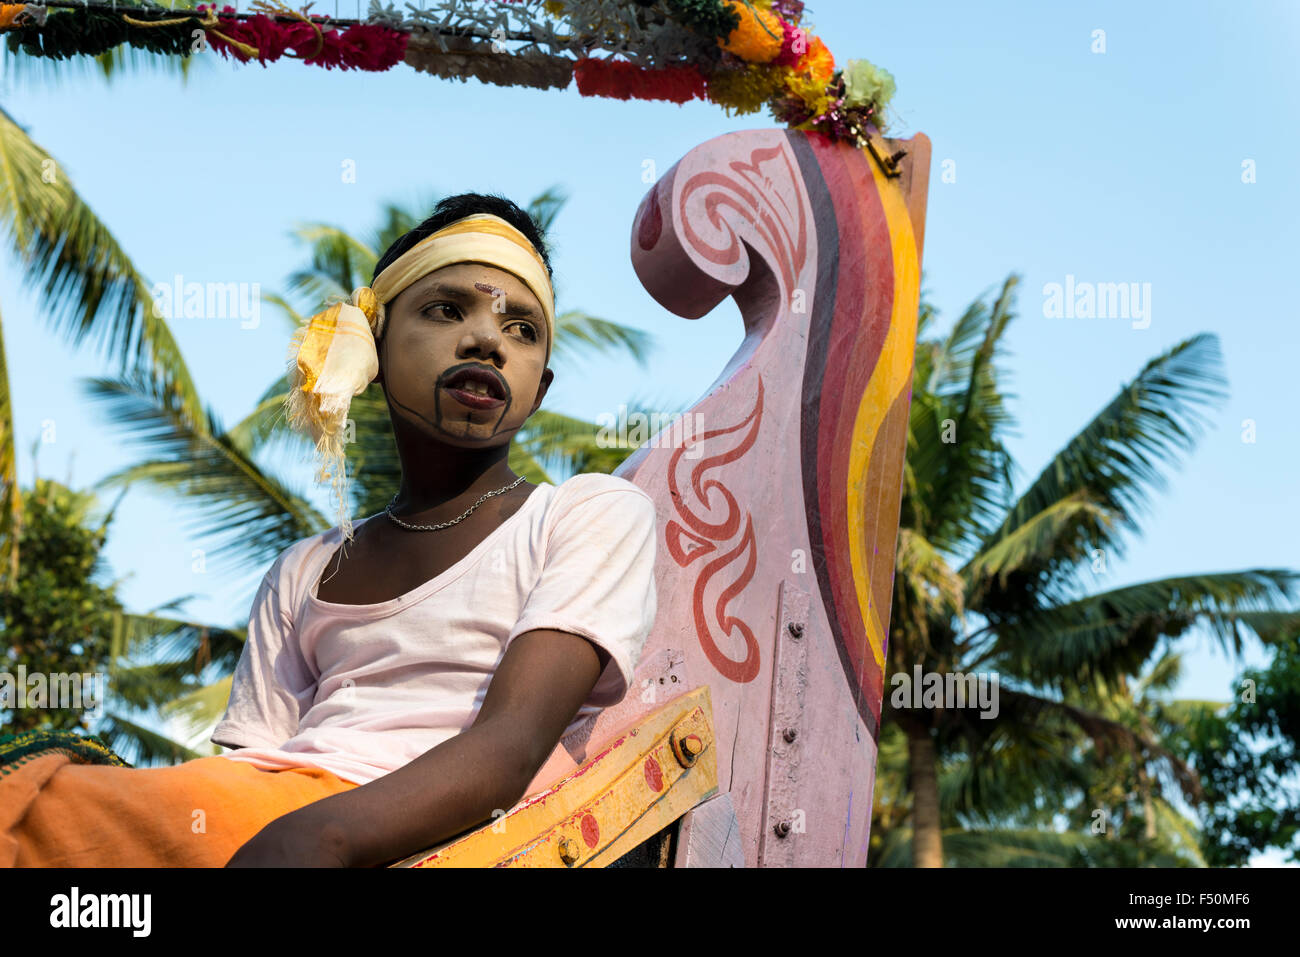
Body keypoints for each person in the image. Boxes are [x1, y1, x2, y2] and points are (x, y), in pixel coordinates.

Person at [0, 193, 659, 868]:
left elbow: (511, 747)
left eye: (523, 329)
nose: (488, 339)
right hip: (267, 818)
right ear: (370, 349)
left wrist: (321, 837)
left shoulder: (589, 513)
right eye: (446, 308)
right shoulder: (303, 570)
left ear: (540, 387)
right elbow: (247, 771)